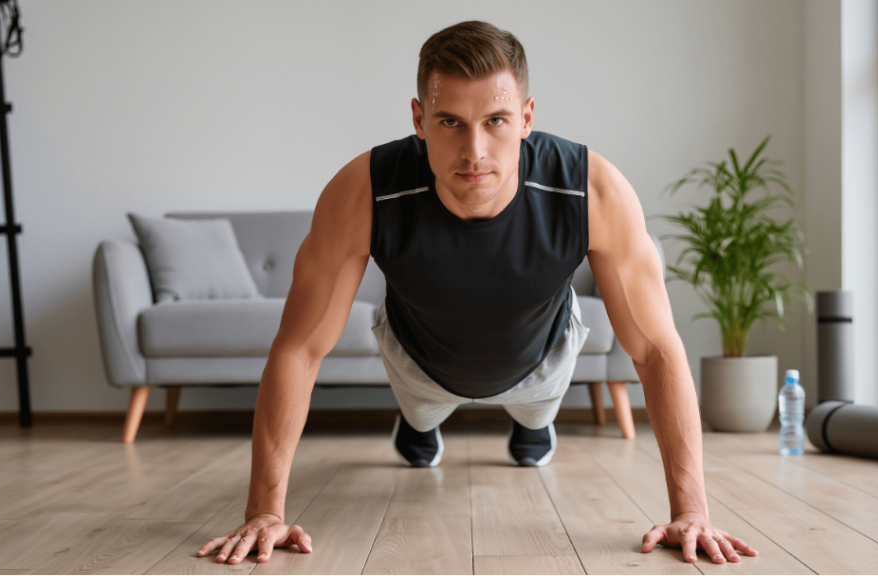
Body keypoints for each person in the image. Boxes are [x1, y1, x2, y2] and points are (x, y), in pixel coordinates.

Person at [196, 20, 759, 567]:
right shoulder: (364, 190)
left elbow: (657, 348)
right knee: (421, 417)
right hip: (418, 363)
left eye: (495, 120)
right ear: (418, 119)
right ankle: (420, 429)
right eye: (449, 122)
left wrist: (691, 511)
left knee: (534, 417)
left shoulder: (592, 189)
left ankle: (531, 427)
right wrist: (265, 512)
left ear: (526, 118)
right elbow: (298, 348)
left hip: (543, 361)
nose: (474, 150)